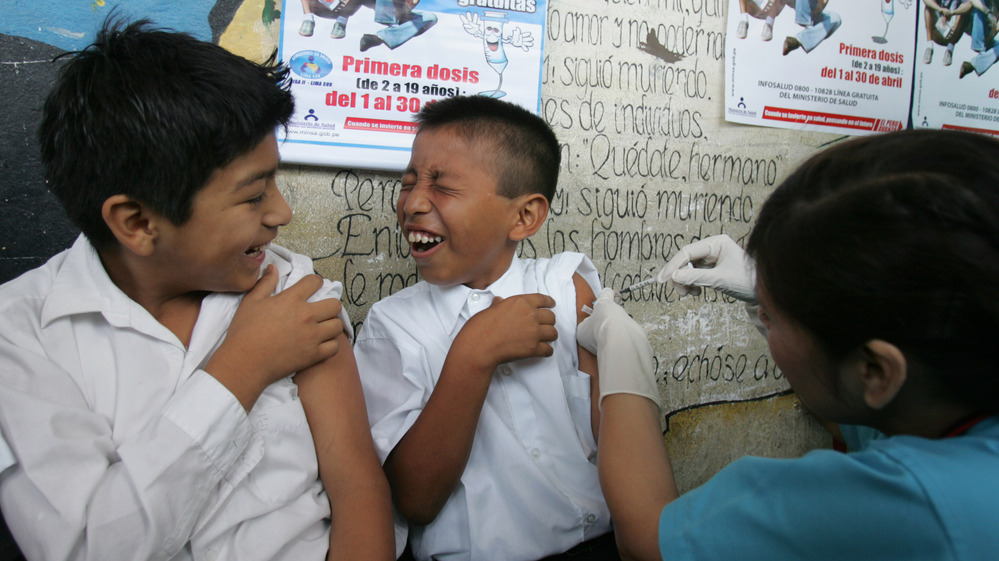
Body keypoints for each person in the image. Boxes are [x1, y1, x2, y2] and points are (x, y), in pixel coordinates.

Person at [0, 19, 395, 561]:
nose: (283, 212)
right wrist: (244, 366)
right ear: (138, 223)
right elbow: (90, 548)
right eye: (253, 196)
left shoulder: (294, 294)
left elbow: (357, 486)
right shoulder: (22, 337)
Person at [586, 129, 999, 561]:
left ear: (875, 370)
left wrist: (623, 351)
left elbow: (645, 541)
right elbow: (855, 415)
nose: (762, 316)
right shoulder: (950, 408)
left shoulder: (908, 506)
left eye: (773, 317)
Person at [354, 95, 620, 561]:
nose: (413, 202)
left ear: (523, 217)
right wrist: (472, 355)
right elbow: (414, 500)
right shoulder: (392, 326)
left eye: (443, 187)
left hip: (600, 544)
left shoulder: (565, 288)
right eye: (409, 182)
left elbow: (619, 437)